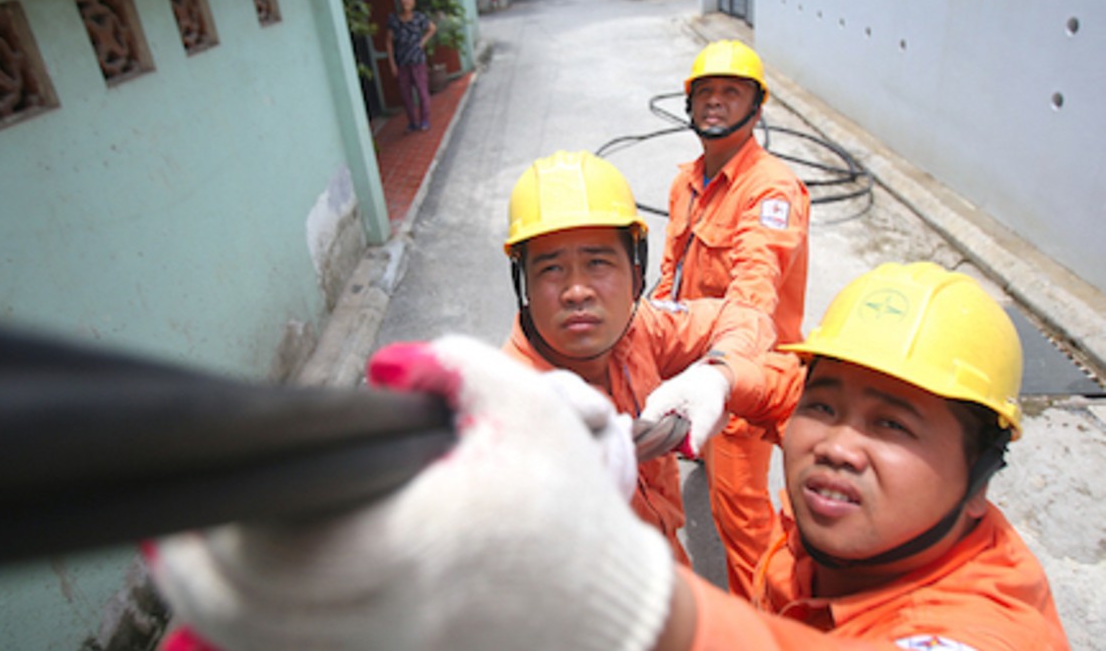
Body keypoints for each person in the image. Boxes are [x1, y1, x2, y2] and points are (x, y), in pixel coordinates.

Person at [146, 262, 1069, 651]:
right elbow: (779, 388)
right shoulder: (867, 533)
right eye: (825, 406)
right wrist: (720, 384)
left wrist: (614, 583)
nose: (836, 446)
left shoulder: (985, 627)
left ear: (983, 465)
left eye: (894, 426)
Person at [499, 150, 799, 561]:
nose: (577, 290)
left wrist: (718, 373)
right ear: (525, 286)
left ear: (636, 275)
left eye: (597, 263)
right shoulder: (511, 403)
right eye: (551, 269)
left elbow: (744, 315)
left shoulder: (639, 328)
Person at [652, 38, 810, 597]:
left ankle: (763, 625)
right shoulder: (686, 182)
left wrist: (722, 371)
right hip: (695, 369)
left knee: (743, 524)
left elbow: (754, 290)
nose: (716, 102)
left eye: (731, 91)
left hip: (743, 380)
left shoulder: (770, 189)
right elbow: (671, 273)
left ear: (756, 107)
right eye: (706, 92)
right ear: (690, 104)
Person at [385, 0, 436, 132]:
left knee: (422, 92)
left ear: (413, 2)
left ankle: (424, 120)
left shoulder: (419, 17)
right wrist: (392, 64)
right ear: (400, 1)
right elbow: (388, 42)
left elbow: (432, 28)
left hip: (417, 60)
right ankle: (412, 122)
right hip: (401, 62)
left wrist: (422, 42)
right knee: (406, 95)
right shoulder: (393, 20)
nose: (406, 1)